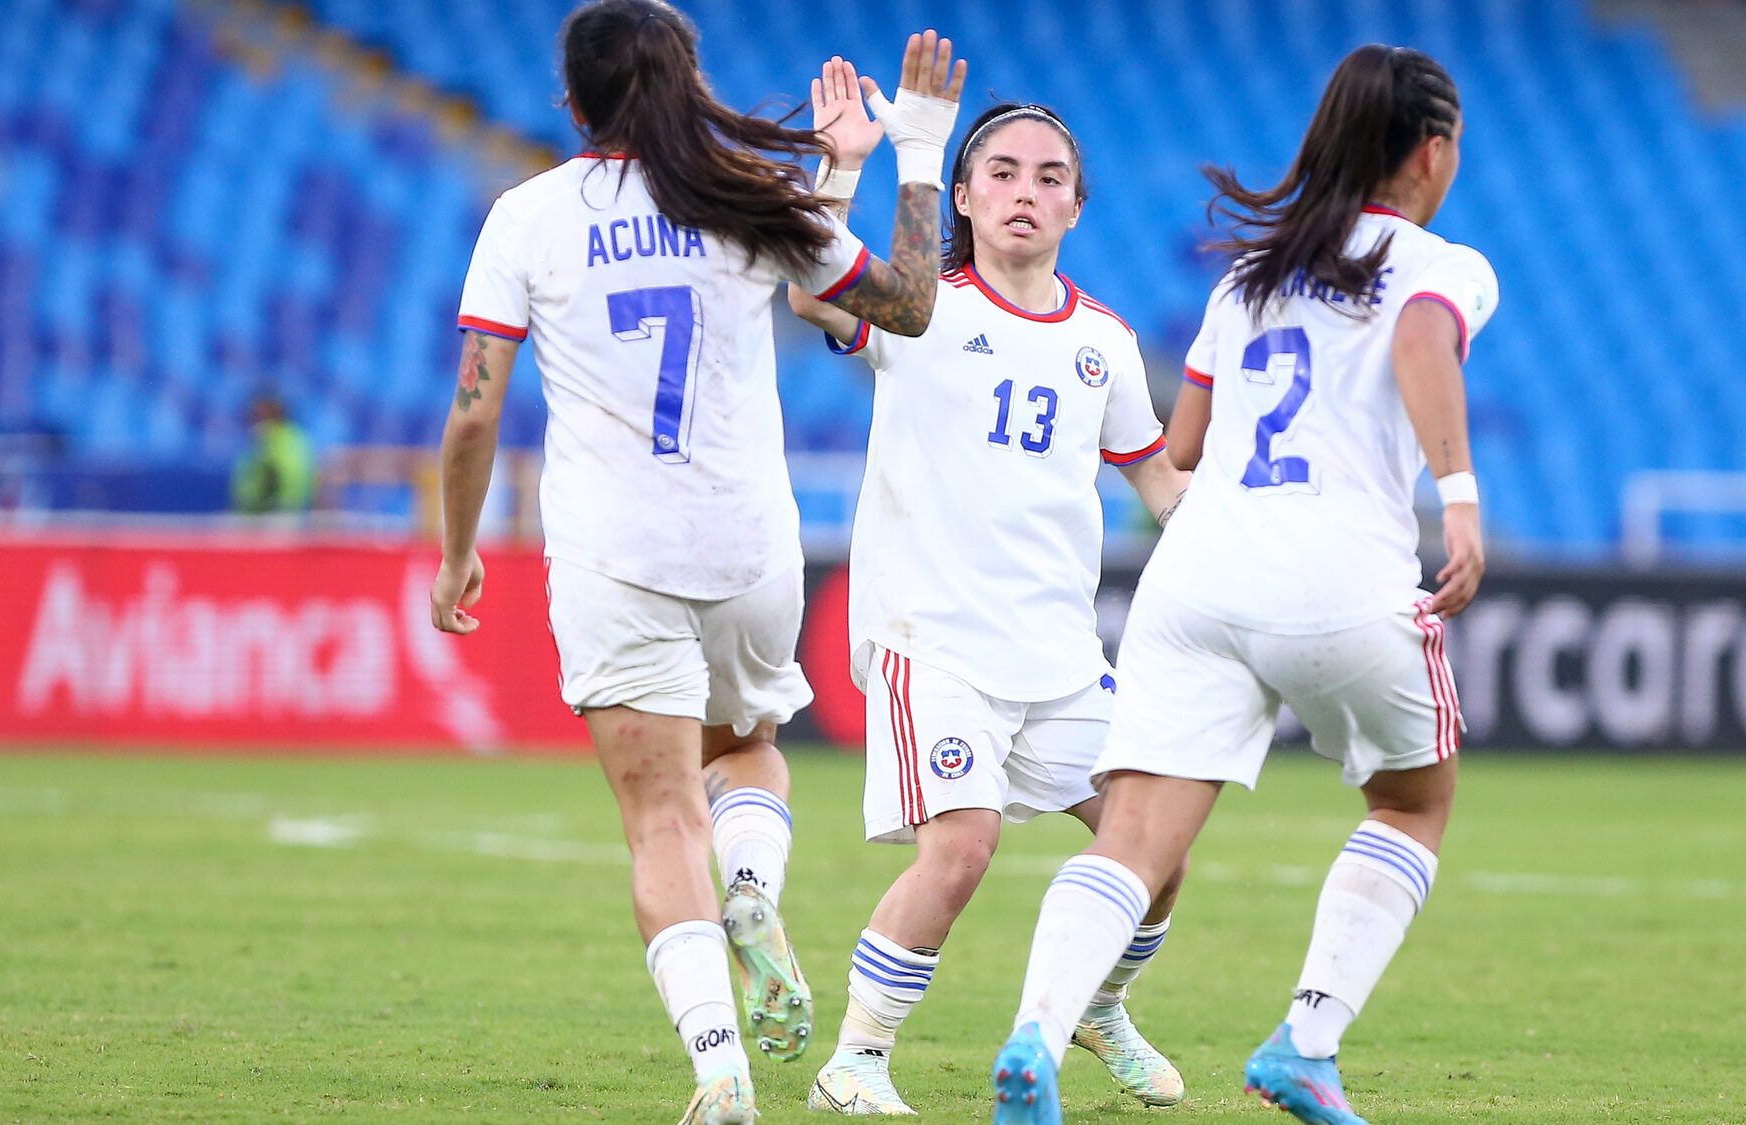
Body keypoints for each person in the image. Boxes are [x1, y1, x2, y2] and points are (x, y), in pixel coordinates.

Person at [428, 4, 968, 1122]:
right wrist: (900, 152)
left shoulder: (524, 217)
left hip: (612, 555)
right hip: (748, 544)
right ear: (688, 84)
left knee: (659, 817)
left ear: (568, 102)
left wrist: (456, 553)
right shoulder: (743, 200)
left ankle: (718, 1071)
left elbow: (473, 415)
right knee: (749, 750)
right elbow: (897, 305)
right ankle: (755, 890)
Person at [988, 44, 1498, 1125]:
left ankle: (1033, 1034)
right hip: (1339, 577)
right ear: (1433, 150)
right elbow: (1417, 335)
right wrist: (1454, 490)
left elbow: (1181, 441)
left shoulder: (1244, 277)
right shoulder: (1438, 265)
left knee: (1132, 833)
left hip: (1200, 578)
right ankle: (1304, 1045)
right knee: (1411, 802)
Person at [786, 78, 1193, 1116]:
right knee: (961, 845)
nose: (1024, 191)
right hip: (935, 640)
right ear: (961, 195)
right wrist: (842, 166)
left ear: (1075, 207)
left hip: (1057, 654)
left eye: (1048, 177)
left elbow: (1157, 486)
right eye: (1001, 172)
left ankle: (1097, 1006)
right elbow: (809, 292)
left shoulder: (1099, 341)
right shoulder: (920, 305)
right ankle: (857, 1059)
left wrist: (1274, 525)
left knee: (1156, 843)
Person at [230, 393, 314, 513]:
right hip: (262, 510)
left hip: (275, 511)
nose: (255, 419)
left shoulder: (277, 438)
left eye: (260, 414)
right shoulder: (295, 436)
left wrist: (268, 502)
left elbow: (283, 474)